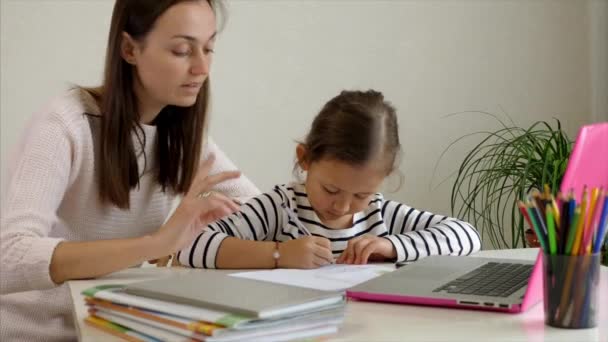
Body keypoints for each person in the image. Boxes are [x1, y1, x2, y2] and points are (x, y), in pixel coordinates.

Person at [0, 1, 259, 341]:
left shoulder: (180, 135)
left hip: (108, 329)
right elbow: (11, 257)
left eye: (209, 48)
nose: (201, 67)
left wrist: (348, 231)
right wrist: (155, 244)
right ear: (129, 49)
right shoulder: (65, 124)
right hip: (30, 332)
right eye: (182, 50)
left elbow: (263, 212)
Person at [177, 90, 482, 269]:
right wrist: (279, 254)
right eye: (331, 189)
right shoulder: (280, 208)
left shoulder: (378, 213)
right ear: (305, 159)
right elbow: (190, 245)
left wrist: (391, 246)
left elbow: (467, 236)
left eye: (361, 194)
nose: (344, 206)